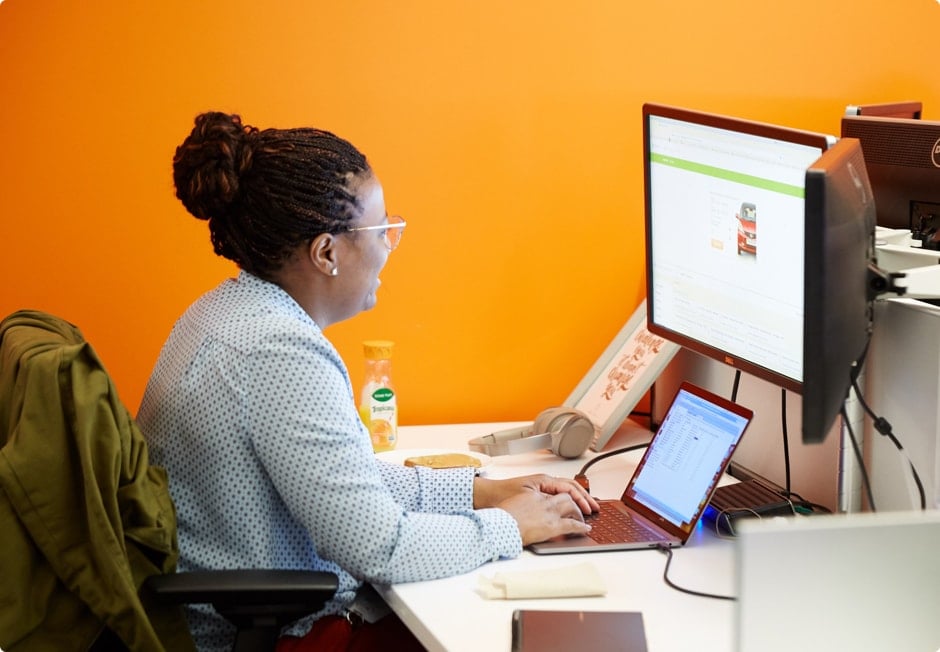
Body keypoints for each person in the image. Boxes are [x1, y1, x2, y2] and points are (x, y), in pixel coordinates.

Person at [137, 111, 599, 652]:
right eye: (381, 231)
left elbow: (348, 484)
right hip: (279, 633)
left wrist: (483, 491)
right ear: (327, 252)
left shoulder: (228, 311)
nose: (388, 245)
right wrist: (509, 526)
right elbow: (381, 546)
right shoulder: (281, 352)